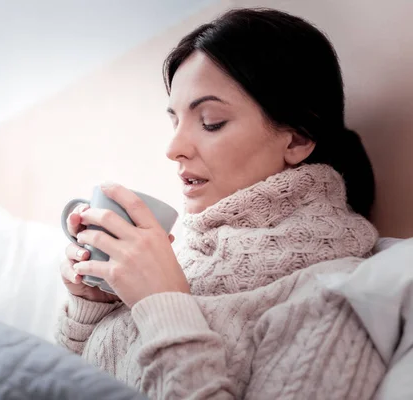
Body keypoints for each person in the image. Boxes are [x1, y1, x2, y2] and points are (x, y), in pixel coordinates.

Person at [57, 8, 385, 399]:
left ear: (296, 139)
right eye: (174, 121)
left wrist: (163, 304)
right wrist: (90, 306)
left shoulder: (335, 295)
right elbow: (59, 385)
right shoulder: (186, 263)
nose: (173, 148)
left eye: (210, 121)